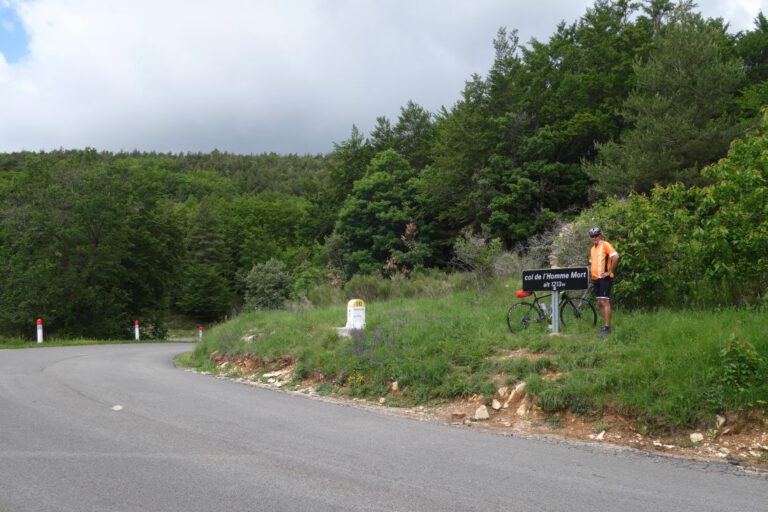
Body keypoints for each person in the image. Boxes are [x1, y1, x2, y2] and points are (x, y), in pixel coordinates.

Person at [588, 227, 619, 336]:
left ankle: (607, 328)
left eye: (596, 235)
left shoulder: (605, 244)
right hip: (596, 279)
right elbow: (592, 263)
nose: (594, 237)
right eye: (592, 236)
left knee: (605, 302)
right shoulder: (592, 249)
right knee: (600, 302)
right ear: (590, 238)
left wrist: (609, 271)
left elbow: (616, 256)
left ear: (600, 235)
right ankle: (605, 326)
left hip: (605, 278)